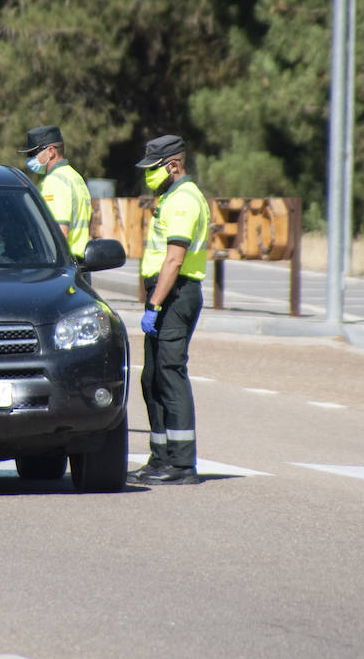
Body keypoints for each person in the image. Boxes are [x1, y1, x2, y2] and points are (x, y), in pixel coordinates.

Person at [131, 134, 209, 486]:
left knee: (170, 373)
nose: (149, 175)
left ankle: (181, 463)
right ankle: (160, 456)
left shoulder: (183, 201)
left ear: (173, 165)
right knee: (152, 378)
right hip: (165, 295)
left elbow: (175, 259)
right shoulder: (172, 197)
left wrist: (154, 303)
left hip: (175, 295)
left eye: (154, 168)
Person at [21, 125, 93, 257]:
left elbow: (60, 232)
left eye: (33, 154)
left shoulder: (54, 181)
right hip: (80, 260)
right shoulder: (75, 177)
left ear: (51, 151)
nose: (29, 159)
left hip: (64, 262)